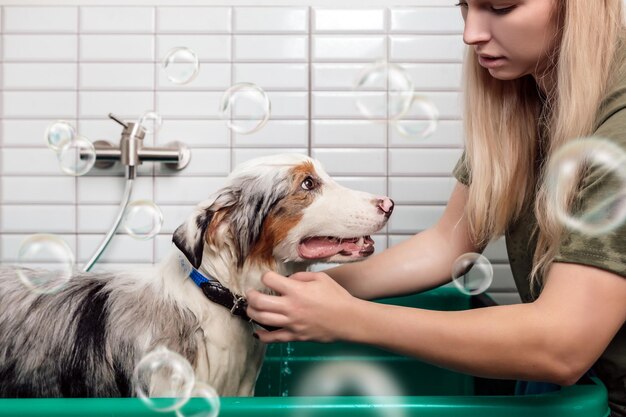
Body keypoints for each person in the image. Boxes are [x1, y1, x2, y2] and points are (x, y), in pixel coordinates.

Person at [246, 0, 626, 415]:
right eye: (465, 6)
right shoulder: (522, 102)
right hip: (579, 393)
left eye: (501, 6)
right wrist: (310, 294)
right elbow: (447, 243)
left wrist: (349, 318)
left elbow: (562, 345)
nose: (471, 34)